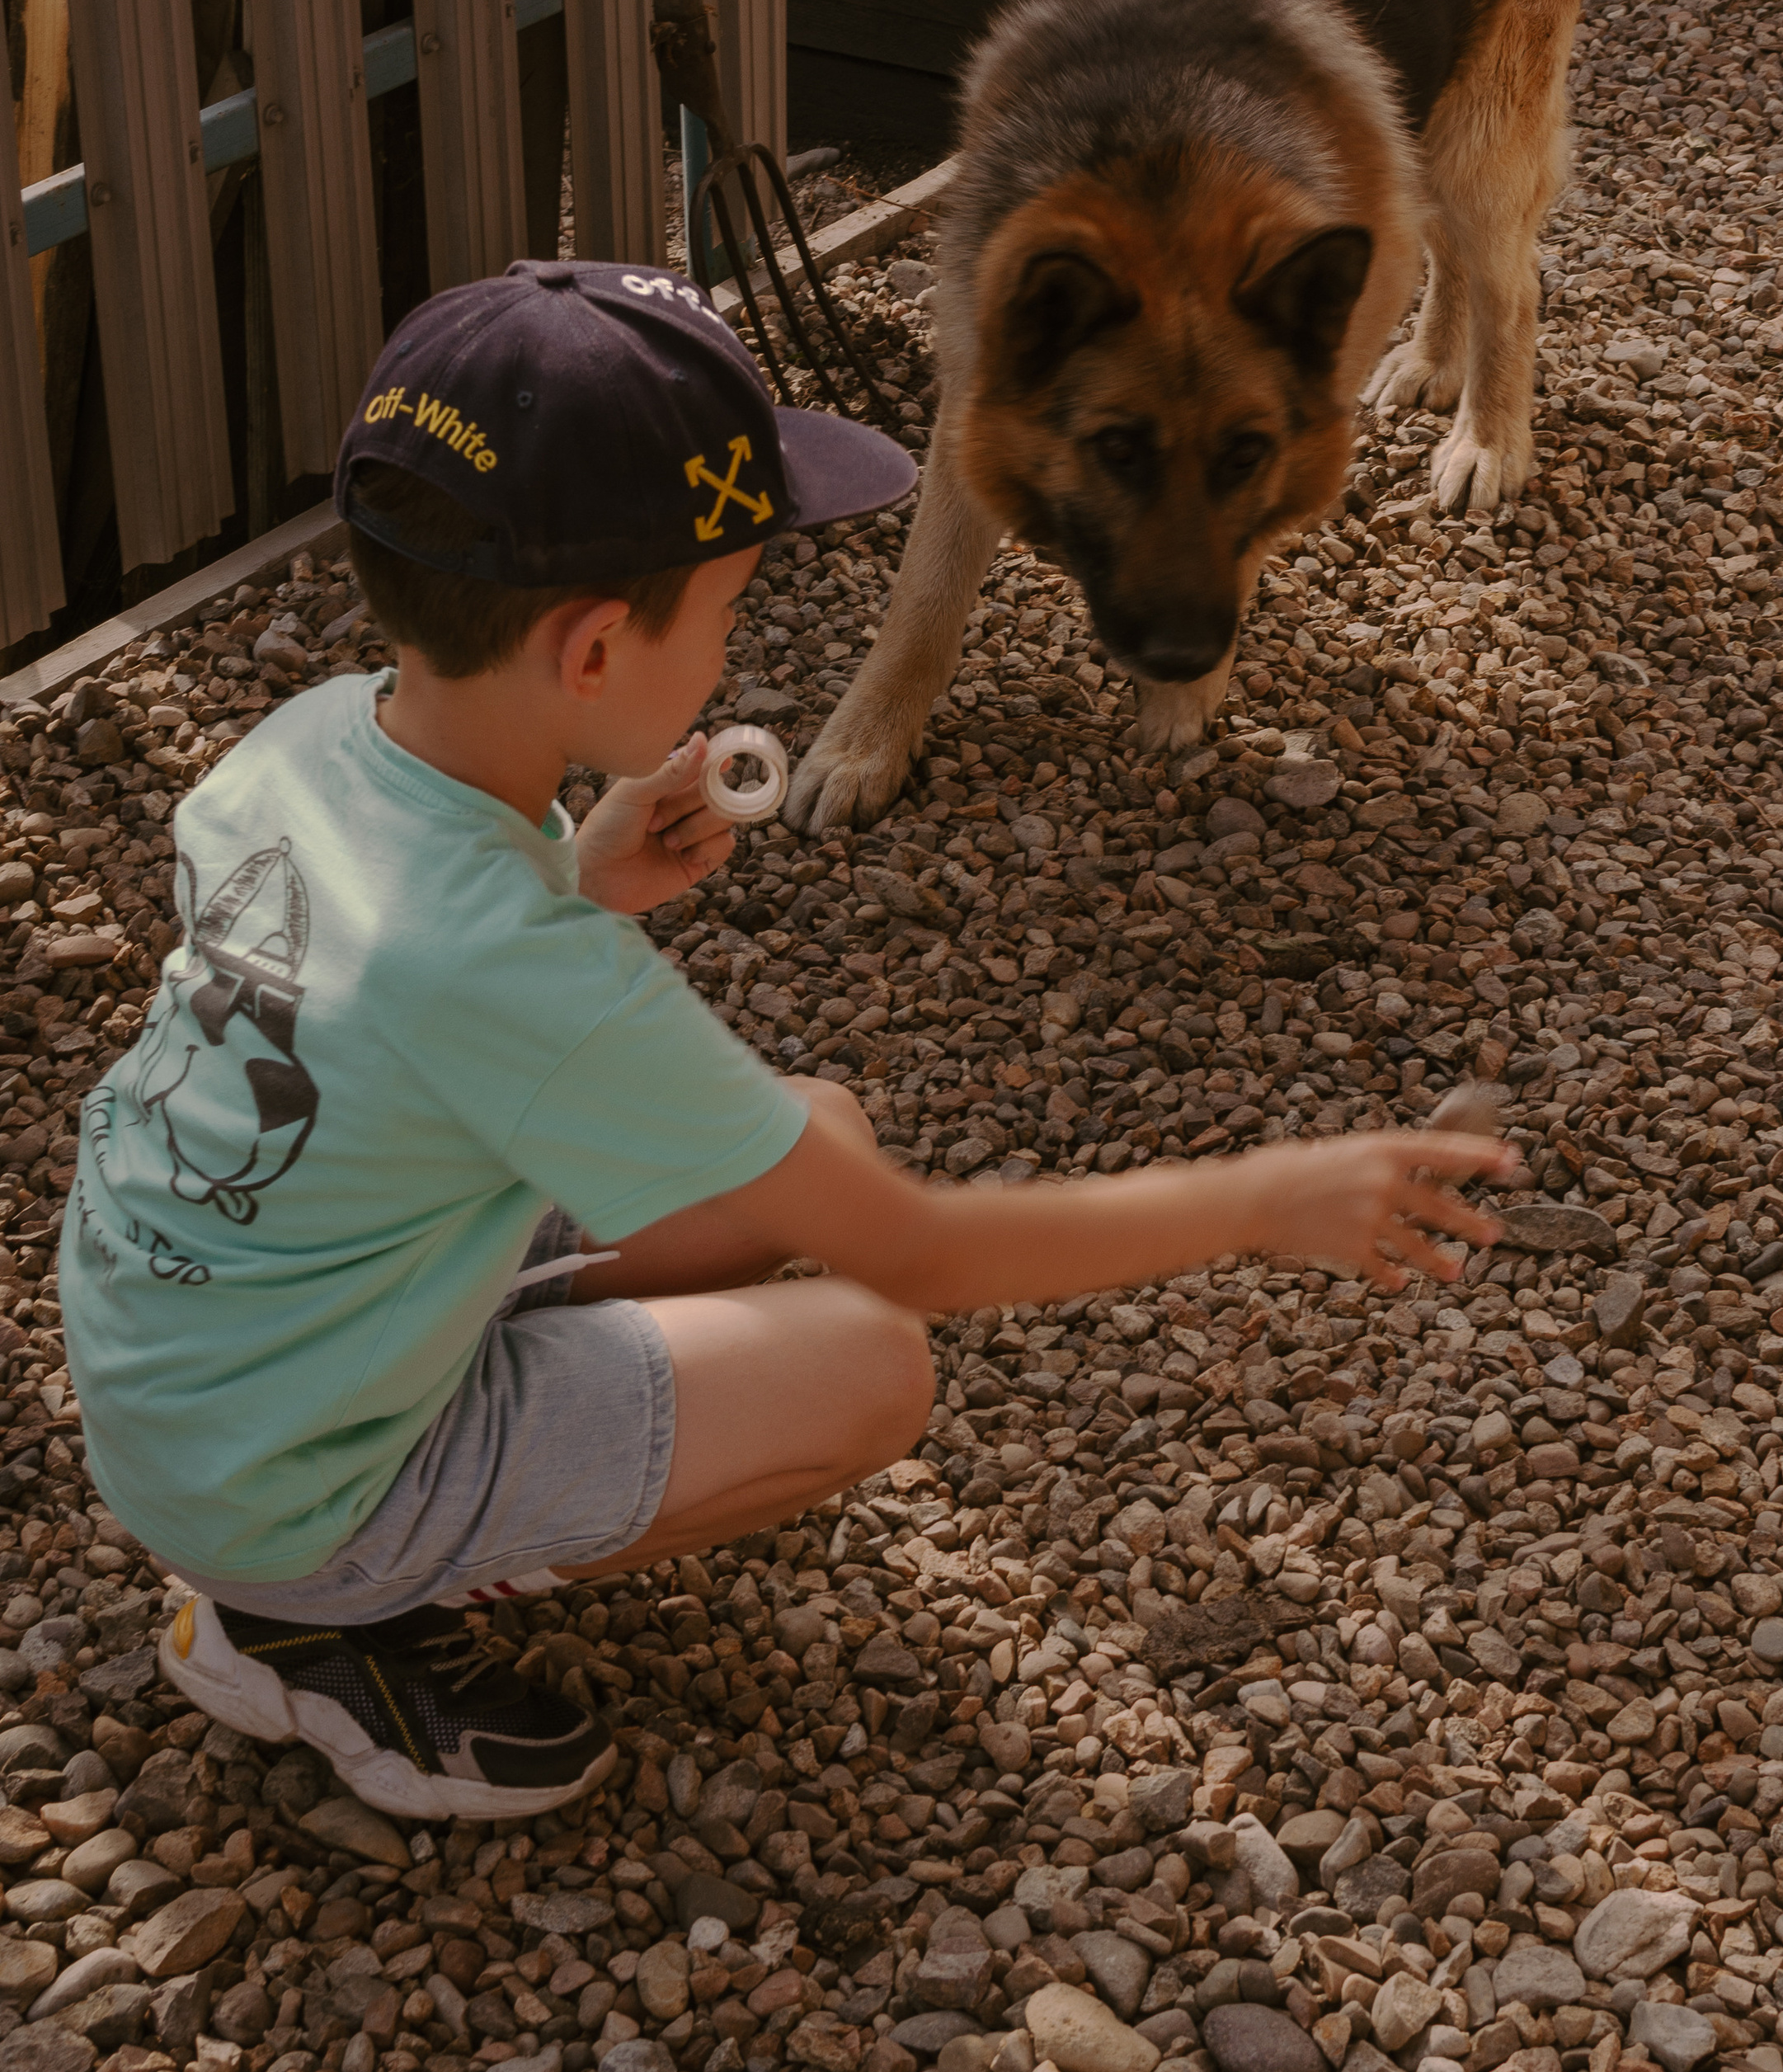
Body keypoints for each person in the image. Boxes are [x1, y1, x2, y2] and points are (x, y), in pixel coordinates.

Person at [59, 261, 1510, 1824]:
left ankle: (379, 1485)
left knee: (816, 1122)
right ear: (595, 652)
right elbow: (923, 1252)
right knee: (872, 1363)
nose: (736, 649)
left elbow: (362, 998)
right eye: (731, 611)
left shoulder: (315, 741)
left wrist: (579, 877)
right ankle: (312, 1622)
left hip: (192, 1353)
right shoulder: (518, 970)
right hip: (283, 1490)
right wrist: (1262, 1198)